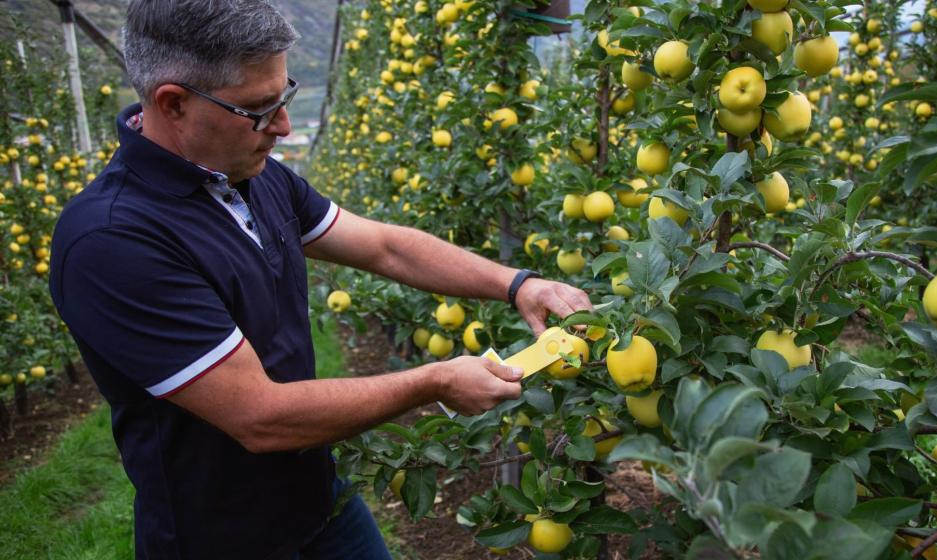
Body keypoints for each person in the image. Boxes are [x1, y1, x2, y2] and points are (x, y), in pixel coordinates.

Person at [48, 0, 591, 558]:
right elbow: (259, 417)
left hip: (319, 499)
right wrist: (433, 382)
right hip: (222, 537)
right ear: (174, 103)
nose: (281, 126)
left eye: (284, 98)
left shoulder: (253, 178)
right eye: (258, 109)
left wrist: (519, 283)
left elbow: (386, 248)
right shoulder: (113, 242)